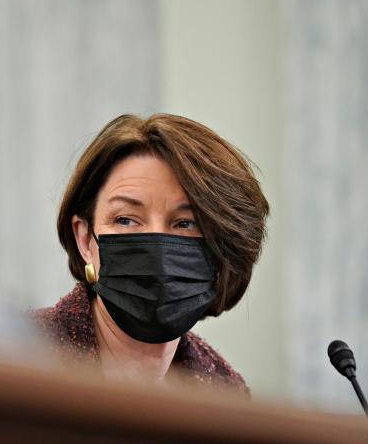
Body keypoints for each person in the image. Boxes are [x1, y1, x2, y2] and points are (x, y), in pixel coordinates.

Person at [31, 114, 269, 396]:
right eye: (126, 220)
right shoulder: (16, 357)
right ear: (85, 240)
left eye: (185, 223)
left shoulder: (225, 394)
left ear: (222, 249)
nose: (157, 246)